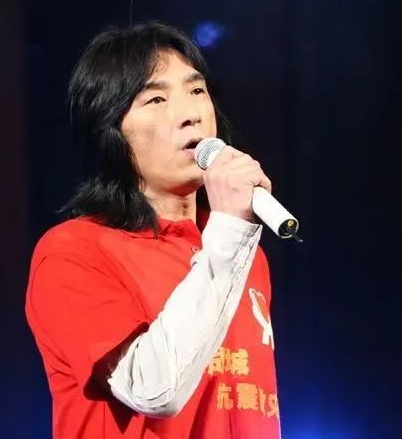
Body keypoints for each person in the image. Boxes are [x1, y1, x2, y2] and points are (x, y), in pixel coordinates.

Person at [25, 22, 281, 439]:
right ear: (110, 131)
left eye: (196, 90)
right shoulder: (74, 251)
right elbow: (151, 388)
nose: (191, 114)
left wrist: (228, 236)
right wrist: (230, 231)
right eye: (156, 99)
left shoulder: (236, 250)